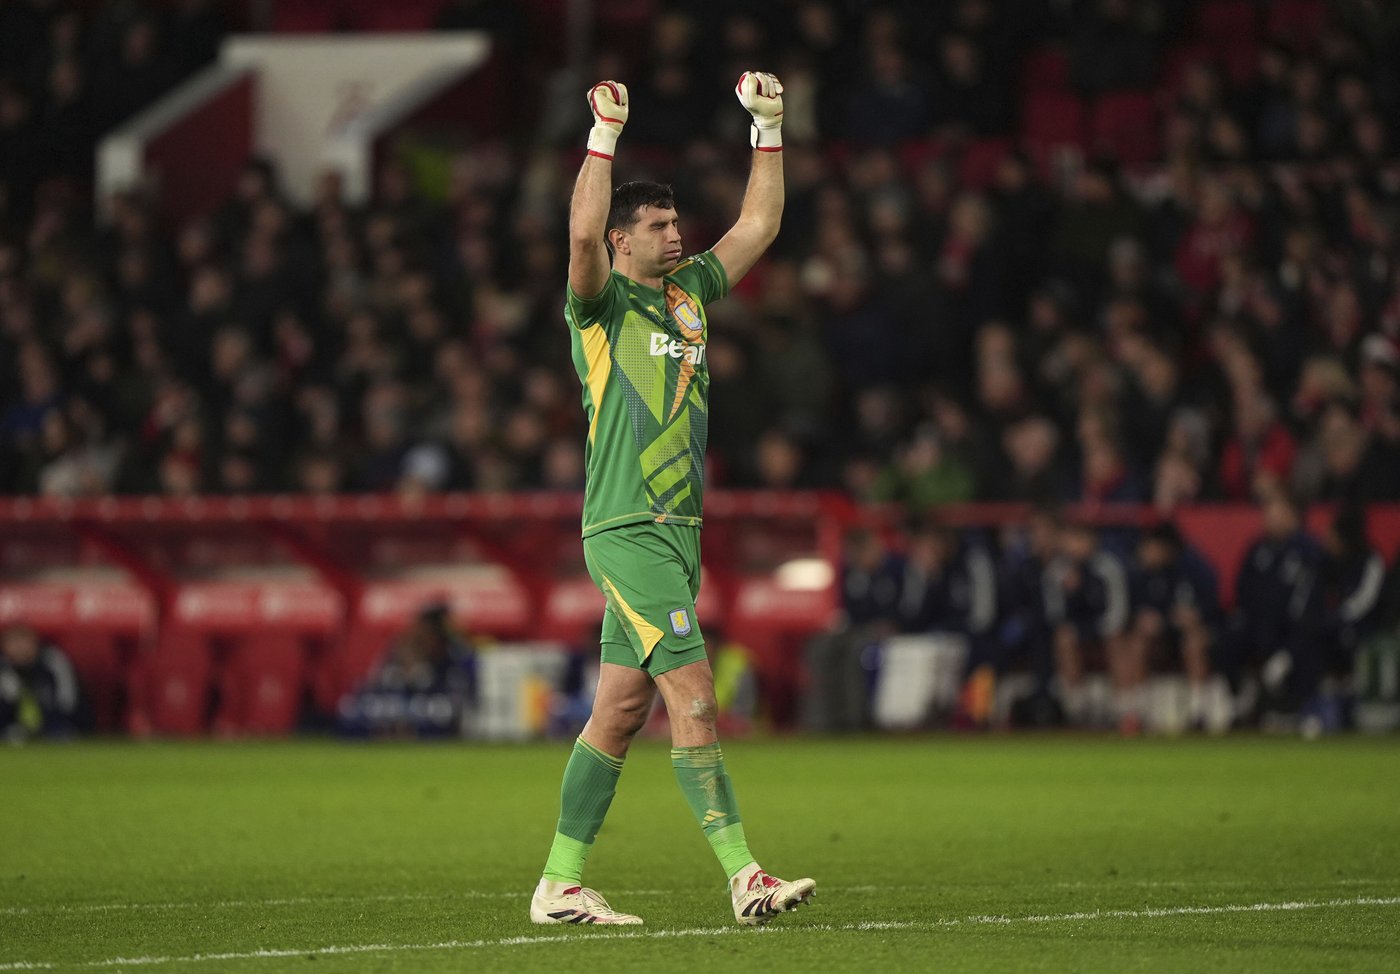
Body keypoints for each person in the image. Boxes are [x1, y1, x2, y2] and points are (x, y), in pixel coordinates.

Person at [529, 73, 815, 928]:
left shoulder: (689, 295)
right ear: (622, 240)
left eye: (674, 222)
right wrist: (602, 139)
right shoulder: (599, 305)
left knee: (619, 712)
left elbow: (759, 226)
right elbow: (579, 233)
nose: (675, 232)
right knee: (693, 696)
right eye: (656, 226)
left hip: (677, 533)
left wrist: (769, 125)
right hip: (628, 528)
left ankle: (559, 883)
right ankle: (745, 877)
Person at [1219, 487, 1325, 725]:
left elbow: (1309, 606)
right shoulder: (1258, 549)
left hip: (1293, 630)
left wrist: (1287, 653)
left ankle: (1300, 709)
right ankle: (1240, 696)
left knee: (1306, 646)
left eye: (1274, 510)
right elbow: (1242, 591)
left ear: (1293, 514)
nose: (1267, 516)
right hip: (1257, 626)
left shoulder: (1308, 552)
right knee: (1228, 636)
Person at [1125, 521, 1221, 733]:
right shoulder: (1141, 573)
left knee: (1194, 641)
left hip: (1193, 635)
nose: (1144, 552)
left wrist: (1196, 616)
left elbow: (1214, 608)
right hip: (1161, 637)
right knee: (1137, 641)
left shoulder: (1196, 568)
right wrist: (1144, 619)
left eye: (1150, 547)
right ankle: (1137, 711)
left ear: (1165, 548)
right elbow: (1131, 610)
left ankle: (1198, 712)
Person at [337, 601, 476, 739]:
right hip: (401, 711)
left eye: (433, 630)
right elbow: (362, 704)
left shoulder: (457, 658)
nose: (427, 636)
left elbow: (454, 710)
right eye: (425, 629)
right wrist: (409, 671)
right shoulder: (397, 652)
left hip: (438, 719)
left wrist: (419, 677)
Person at [1044, 518, 1131, 727]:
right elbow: (1054, 613)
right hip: (1076, 629)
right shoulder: (1057, 570)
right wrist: (1071, 593)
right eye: (1072, 539)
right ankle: (1077, 708)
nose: (1075, 545)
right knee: (1064, 638)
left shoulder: (1107, 567)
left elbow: (1118, 610)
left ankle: (1123, 709)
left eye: (1080, 539)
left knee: (1117, 640)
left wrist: (1102, 629)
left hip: (1103, 628)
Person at [0, 623, 84, 741]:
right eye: (13, 642)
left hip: (54, 725)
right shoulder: (3, 668)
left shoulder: (52, 662)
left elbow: (67, 701)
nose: (19, 647)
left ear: (35, 642)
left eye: (24, 640)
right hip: (9, 728)